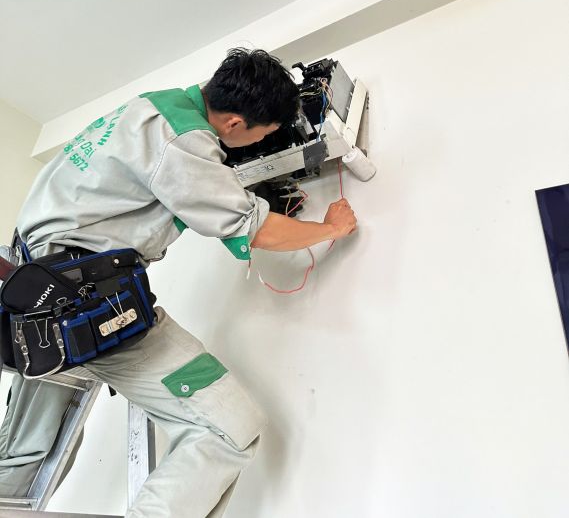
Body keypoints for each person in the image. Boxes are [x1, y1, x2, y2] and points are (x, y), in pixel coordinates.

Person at [0, 48, 357, 517]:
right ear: (234, 123)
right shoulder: (184, 141)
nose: (261, 141)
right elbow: (256, 229)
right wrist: (331, 228)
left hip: (28, 299)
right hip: (82, 302)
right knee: (227, 430)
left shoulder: (148, 108)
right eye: (263, 133)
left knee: (25, 454)